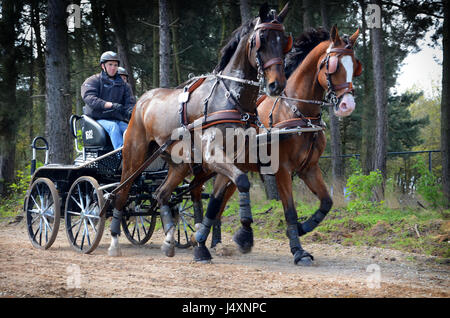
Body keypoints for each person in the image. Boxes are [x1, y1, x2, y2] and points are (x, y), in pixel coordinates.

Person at [81, 51, 134, 149]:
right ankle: (120, 154)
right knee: (113, 127)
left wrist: (130, 112)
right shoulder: (93, 80)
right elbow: (90, 98)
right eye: (110, 64)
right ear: (103, 66)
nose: (113, 68)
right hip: (97, 119)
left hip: (117, 119)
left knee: (131, 130)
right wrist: (110, 105)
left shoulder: (124, 85)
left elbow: (129, 103)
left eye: (115, 65)